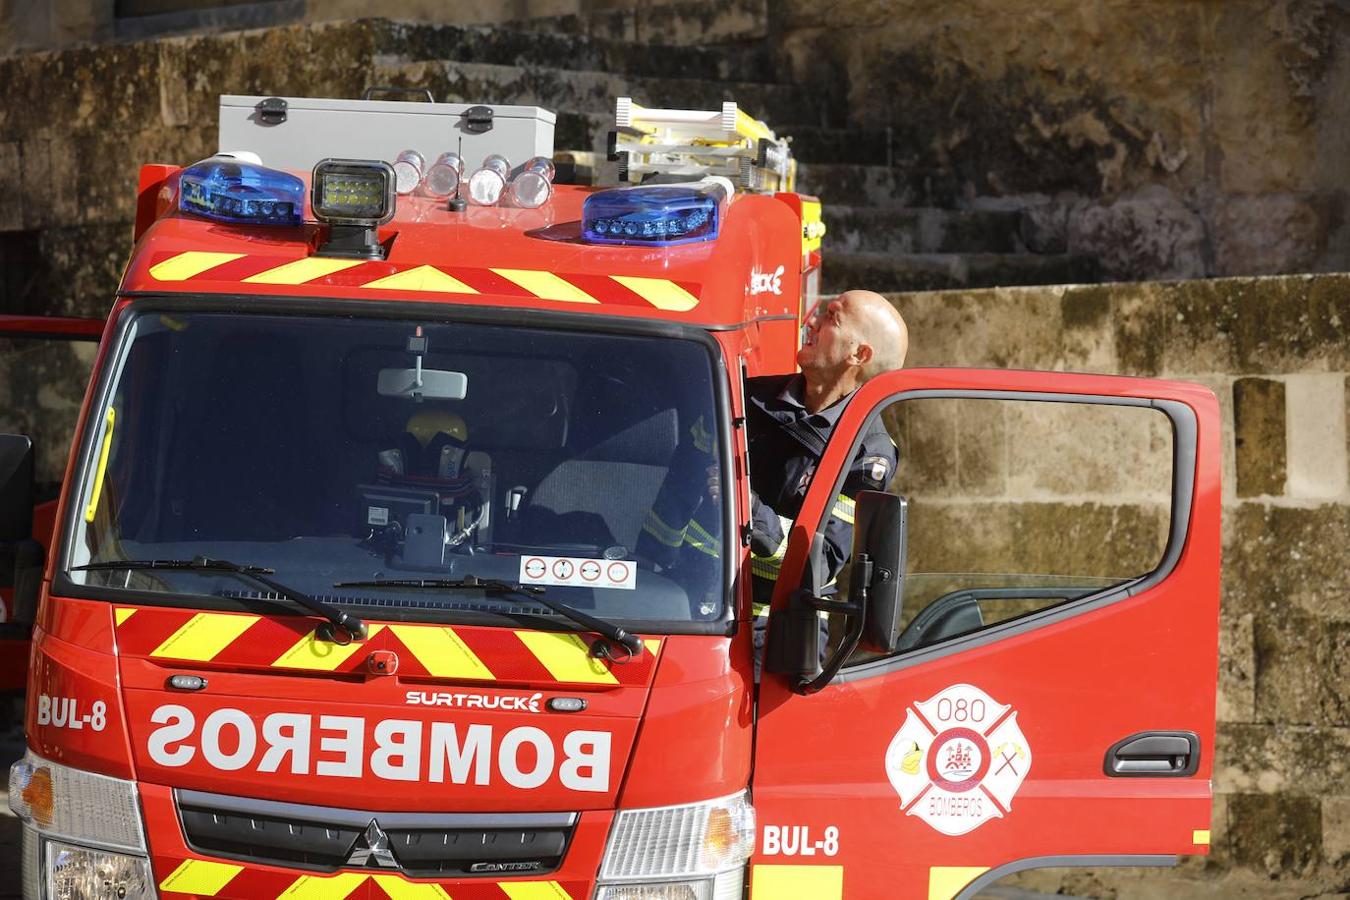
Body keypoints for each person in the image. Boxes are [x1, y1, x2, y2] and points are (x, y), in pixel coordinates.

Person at [740, 290, 909, 611]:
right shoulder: (746, 396)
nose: (812, 322)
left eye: (831, 317)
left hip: (779, 626)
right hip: (690, 603)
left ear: (859, 354)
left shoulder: (867, 454)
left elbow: (821, 562)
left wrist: (746, 507)